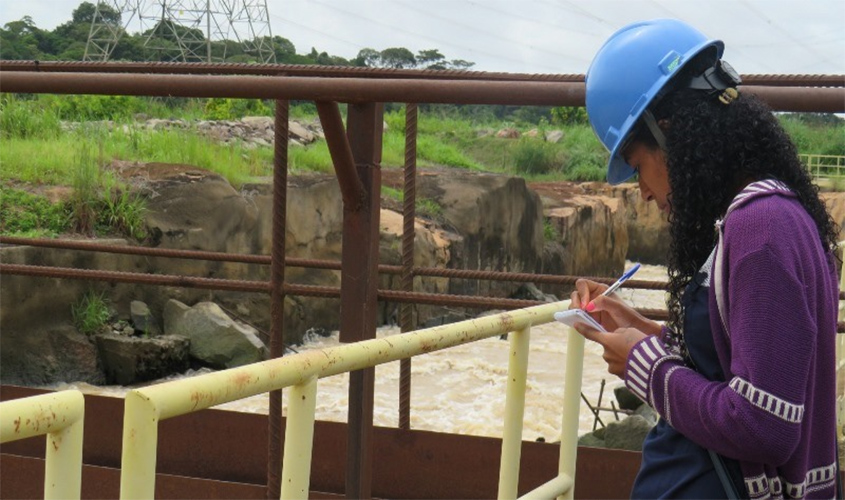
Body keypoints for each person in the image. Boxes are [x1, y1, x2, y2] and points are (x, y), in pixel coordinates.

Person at [570, 18, 841, 499]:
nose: (646, 194)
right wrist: (640, 328)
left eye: (638, 168)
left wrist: (644, 365)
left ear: (672, 135)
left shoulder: (760, 230)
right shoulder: (761, 217)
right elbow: (735, 362)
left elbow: (766, 424)